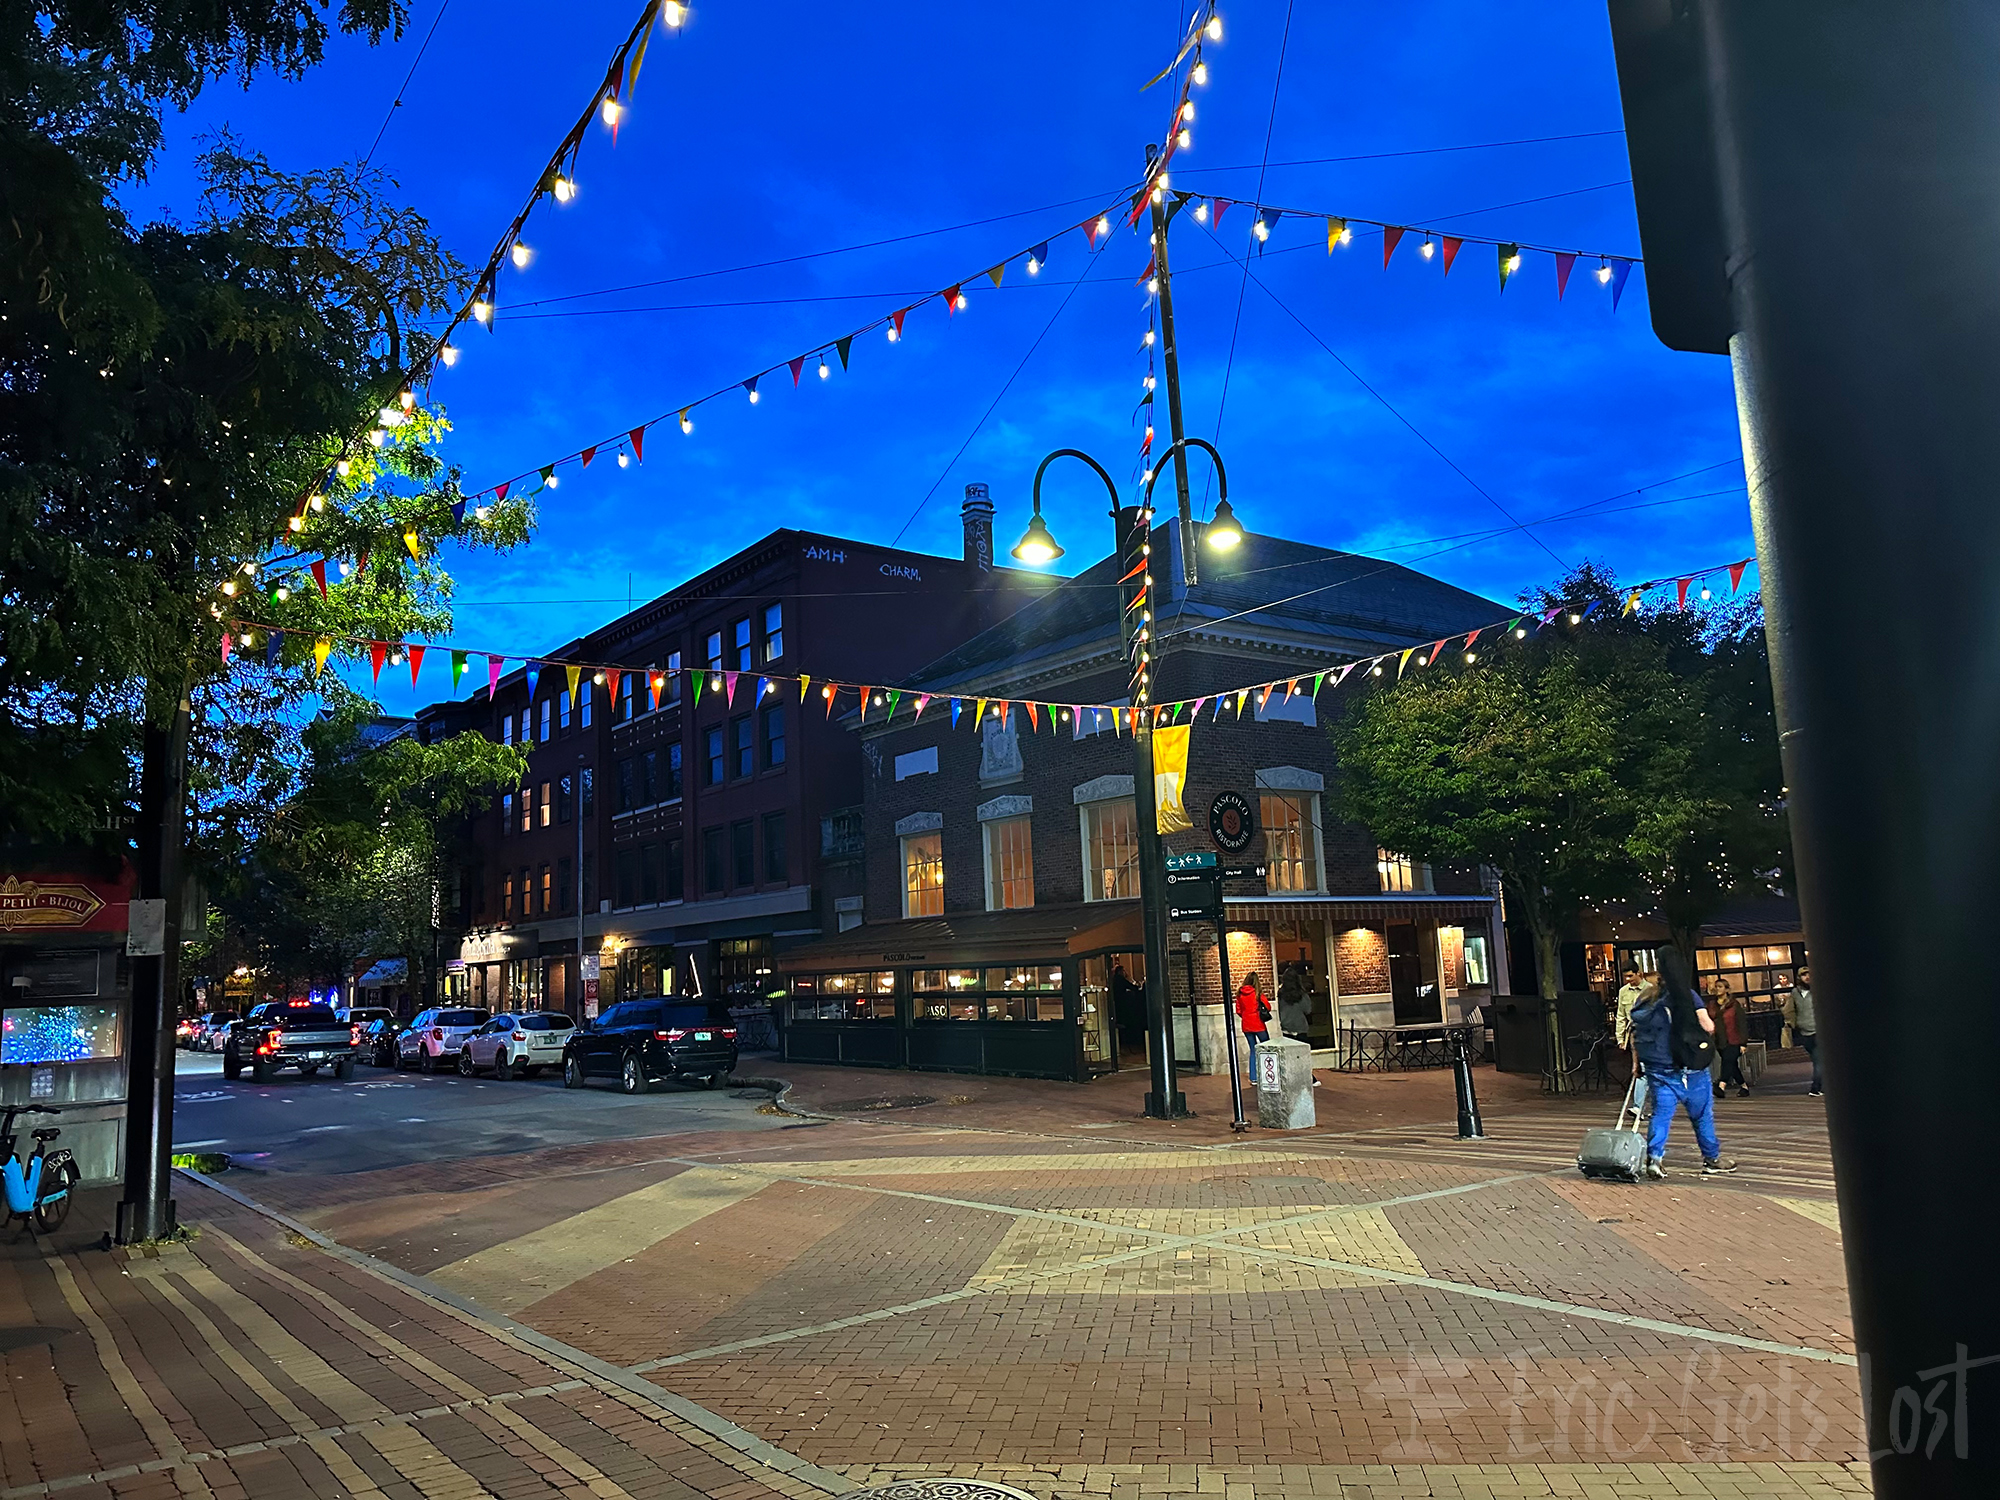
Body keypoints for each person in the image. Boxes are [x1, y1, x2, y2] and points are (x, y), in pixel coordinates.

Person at [1629, 949, 1737, 1178]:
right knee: (1702, 1115)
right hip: (1689, 1068)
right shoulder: (1687, 996)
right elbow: (1708, 1026)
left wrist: (1637, 1064)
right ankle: (1711, 1158)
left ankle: (1655, 1159)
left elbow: (1636, 1033)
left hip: (1658, 1067)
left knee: (1661, 1114)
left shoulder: (1646, 998)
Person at [1784, 967, 1821, 1097]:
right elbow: (1789, 1010)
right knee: (1818, 1060)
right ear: (1800, 977)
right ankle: (1818, 1087)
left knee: (1818, 1060)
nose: (1807, 977)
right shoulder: (1795, 992)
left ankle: (1817, 1087)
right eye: (1804, 975)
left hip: (1818, 1031)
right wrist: (1793, 1024)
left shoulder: (1819, 990)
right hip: (1806, 1032)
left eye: (1809, 974)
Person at [1711, 982, 1749, 1097]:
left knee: (1727, 1061)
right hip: (1719, 1039)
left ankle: (1721, 1086)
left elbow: (1741, 1023)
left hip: (1734, 1039)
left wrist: (1743, 1043)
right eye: (1716, 987)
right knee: (1732, 1065)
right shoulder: (1712, 1005)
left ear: (1727, 989)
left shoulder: (1734, 1005)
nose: (1717, 989)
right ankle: (1744, 1087)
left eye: (1720, 987)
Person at [1235, 972, 1271, 1079]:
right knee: (1267, 1048)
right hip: (1258, 1024)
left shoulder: (1240, 994)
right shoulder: (1257, 994)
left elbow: (1238, 1010)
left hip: (1246, 1025)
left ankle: (1253, 1077)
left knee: (1253, 1050)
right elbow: (1267, 1007)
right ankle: (1267, 1073)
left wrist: (1246, 1016)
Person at [1277, 961, 1311, 1039]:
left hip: (1286, 1028)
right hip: (1300, 1027)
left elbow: (1279, 1010)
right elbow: (1308, 1010)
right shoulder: (1302, 993)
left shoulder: (1281, 994)